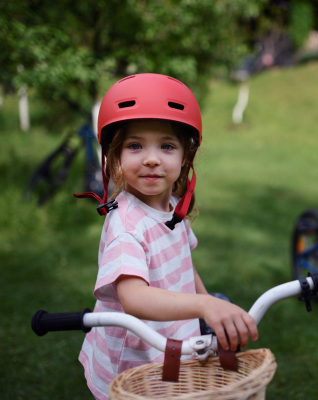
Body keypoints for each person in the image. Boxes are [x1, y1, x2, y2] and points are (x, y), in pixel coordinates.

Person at [75, 74, 258, 400]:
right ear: (114, 155)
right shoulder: (126, 225)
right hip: (132, 367)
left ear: (185, 157)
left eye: (167, 145)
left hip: (172, 348)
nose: (151, 158)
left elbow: (186, 267)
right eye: (135, 145)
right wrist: (204, 304)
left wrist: (210, 309)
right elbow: (134, 297)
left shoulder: (173, 207)